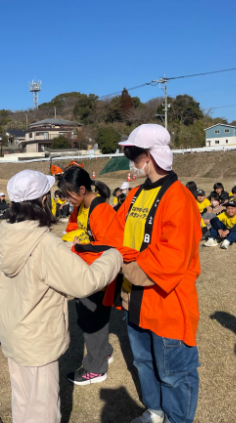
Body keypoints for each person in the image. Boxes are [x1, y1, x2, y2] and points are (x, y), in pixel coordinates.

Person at [90, 124, 201, 423]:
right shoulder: (136, 195)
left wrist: (120, 263)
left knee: (174, 373)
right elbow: (115, 233)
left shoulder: (180, 199)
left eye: (133, 155)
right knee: (143, 362)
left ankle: (176, 419)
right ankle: (155, 410)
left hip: (166, 303)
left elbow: (170, 259)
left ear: (150, 156)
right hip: (134, 301)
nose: (130, 161)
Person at [0, 169, 121, 423]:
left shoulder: (5, 234)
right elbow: (85, 282)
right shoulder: (45, 244)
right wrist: (114, 255)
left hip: (13, 333)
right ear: (43, 201)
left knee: (22, 399)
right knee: (43, 410)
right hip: (37, 341)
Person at [56, 166, 117, 386]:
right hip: (85, 271)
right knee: (86, 316)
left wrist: (77, 247)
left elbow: (108, 248)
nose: (67, 200)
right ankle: (103, 351)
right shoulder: (81, 207)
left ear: (82, 190)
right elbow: (72, 230)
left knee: (92, 320)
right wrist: (70, 243)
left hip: (98, 276)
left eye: (69, 195)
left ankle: (95, 369)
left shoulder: (102, 211)